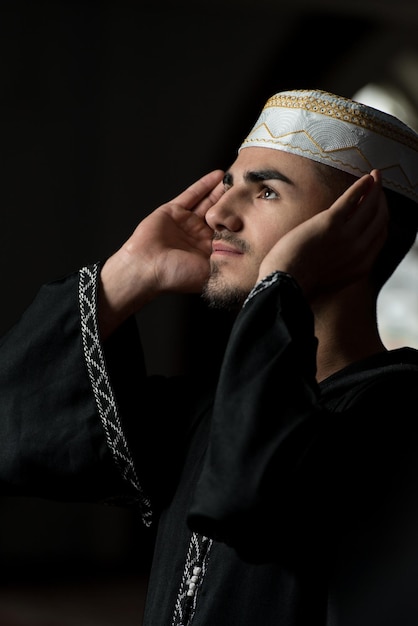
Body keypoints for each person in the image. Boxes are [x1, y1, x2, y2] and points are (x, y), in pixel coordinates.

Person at [1, 87, 418, 626]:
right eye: (227, 185)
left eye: (265, 192)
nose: (217, 212)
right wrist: (128, 273)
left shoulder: (399, 416)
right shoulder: (208, 413)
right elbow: (15, 430)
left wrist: (280, 286)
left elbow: (246, 497)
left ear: (359, 221)